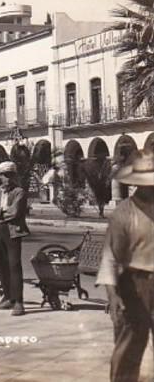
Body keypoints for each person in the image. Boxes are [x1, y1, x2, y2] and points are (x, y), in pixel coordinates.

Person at [97, 148, 154, 382]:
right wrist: (113, 296)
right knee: (129, 347)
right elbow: (110, 257)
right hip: (134, 285)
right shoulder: (123, 213)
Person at [0, 161, 29, 317]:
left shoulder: (19, 192)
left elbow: (15, 212)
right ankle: (8, 297)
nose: (7, 179)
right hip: (0, 231)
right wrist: (2, 211)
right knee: (3, 266)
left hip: (13, 231)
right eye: (4, 175)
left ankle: (19, 301)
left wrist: (0, 213)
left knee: (14, 266)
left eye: (10, 175)